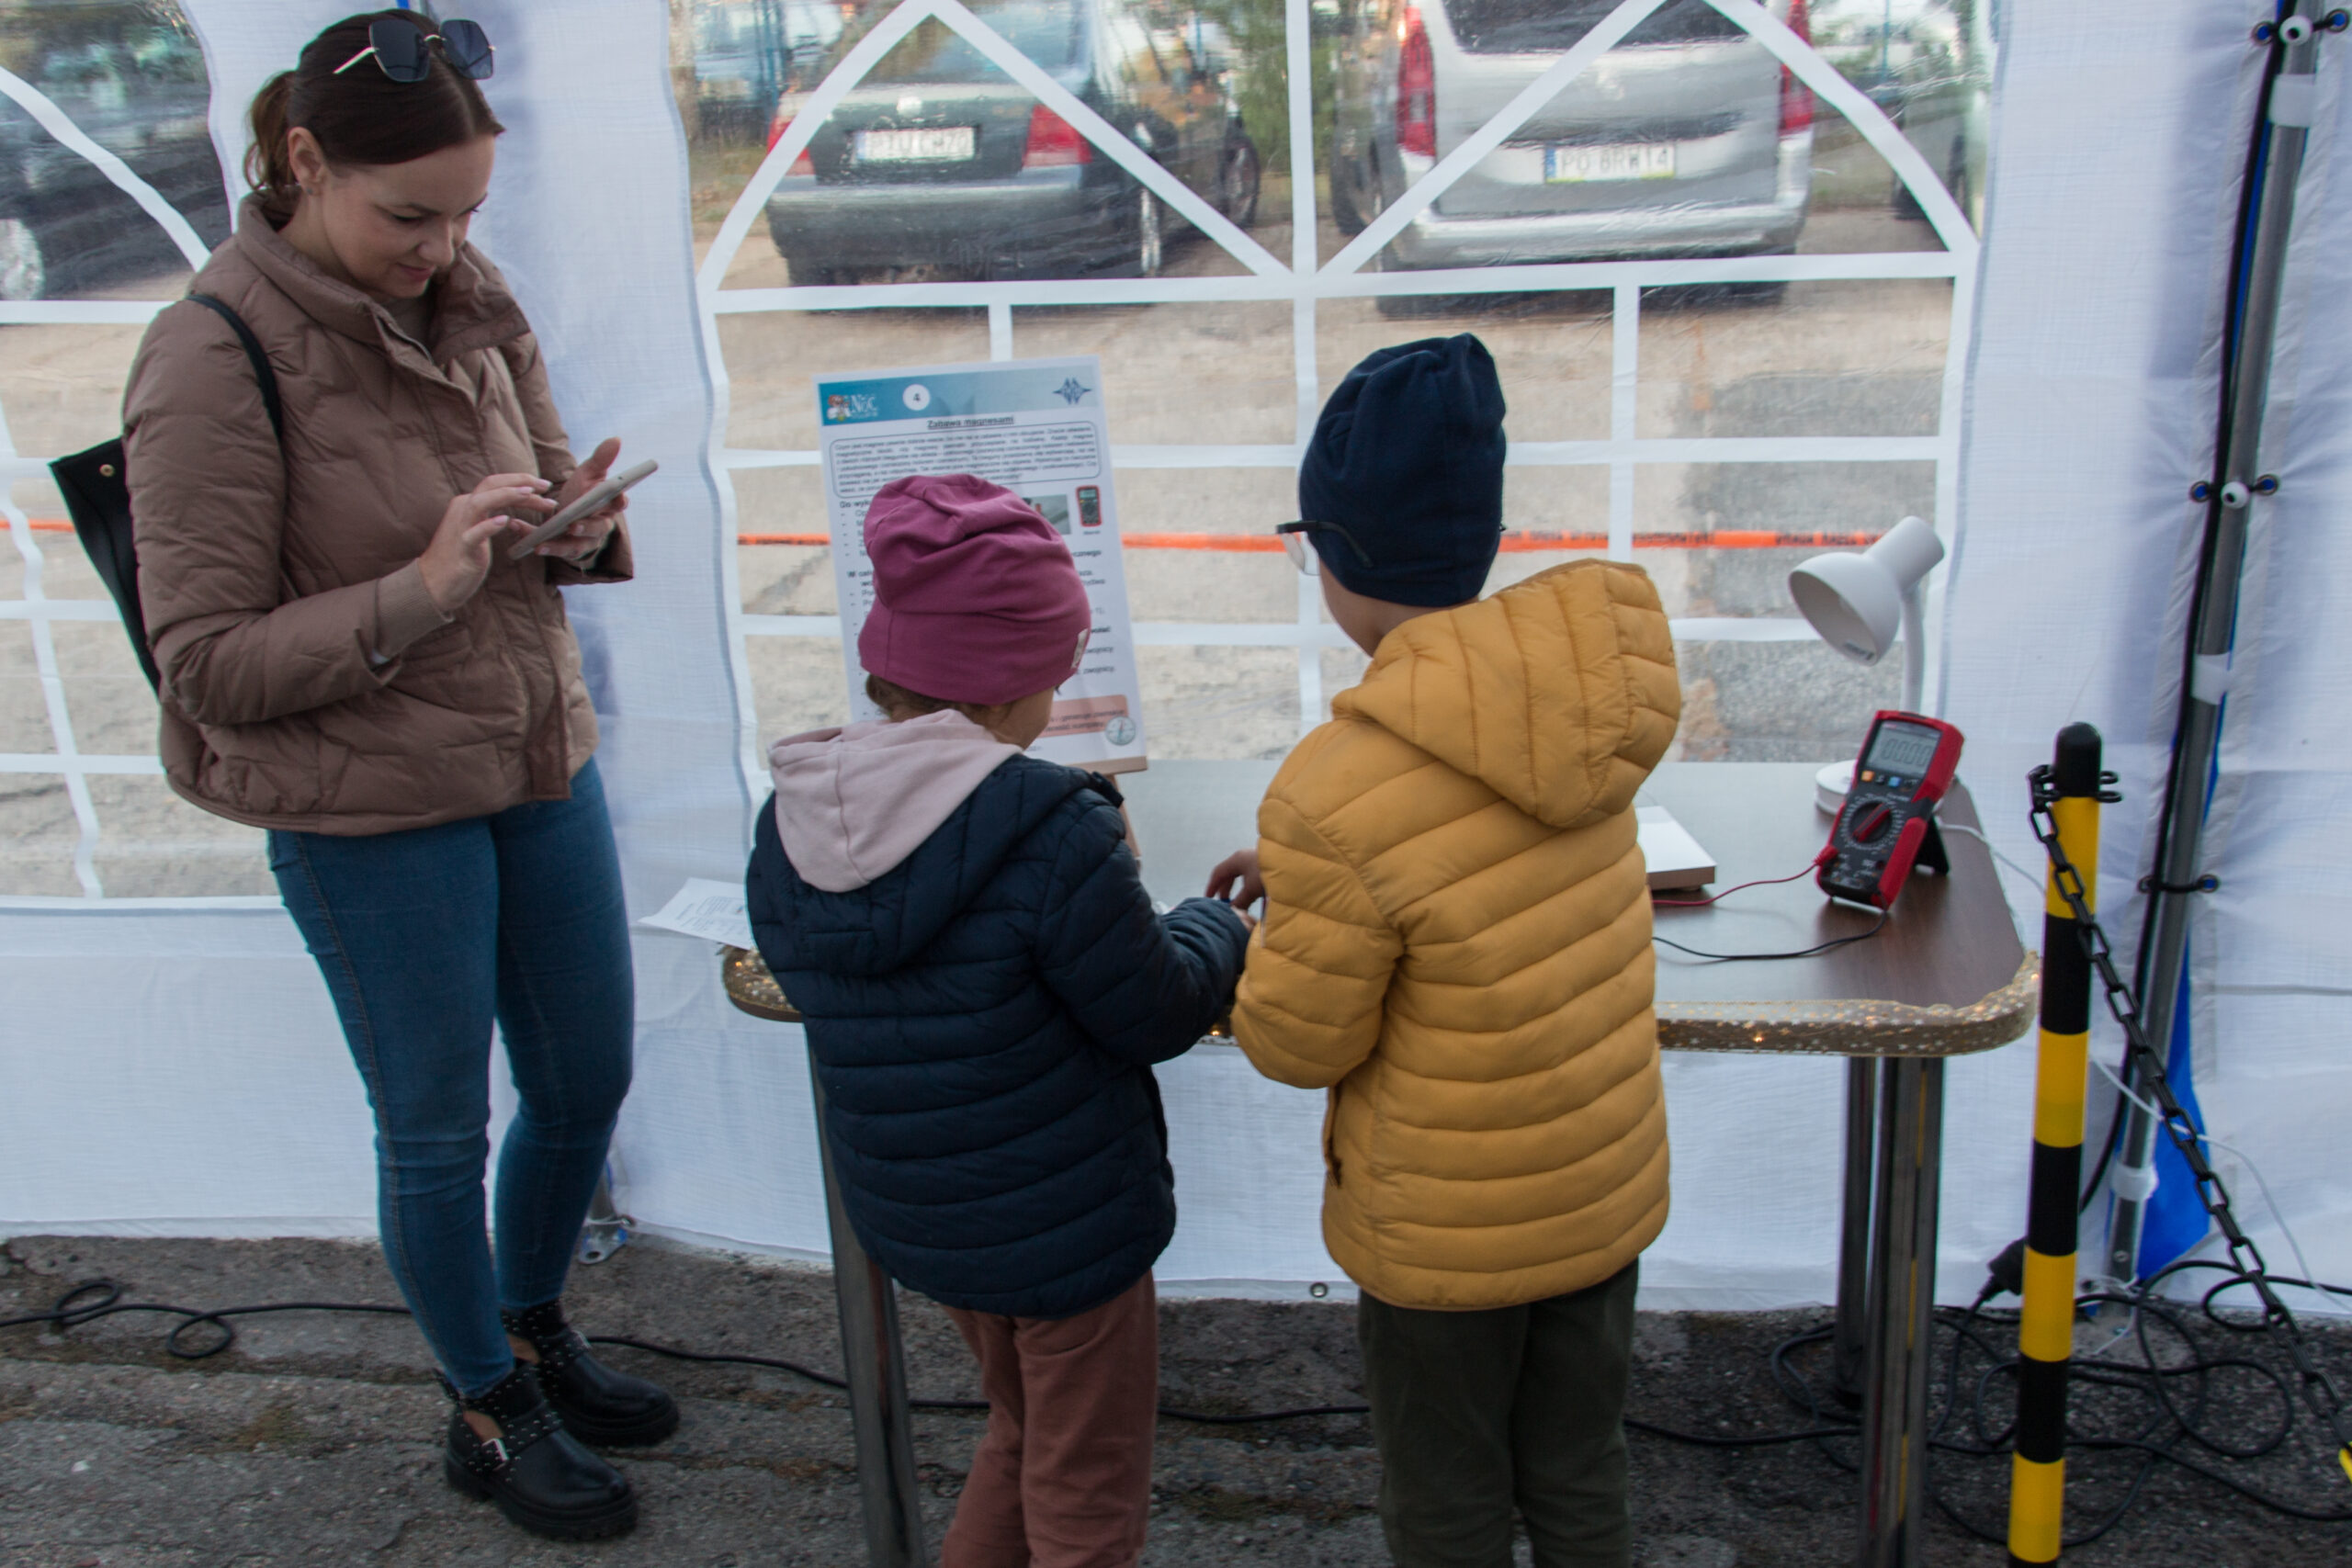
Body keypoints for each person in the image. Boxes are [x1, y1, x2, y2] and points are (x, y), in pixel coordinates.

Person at [123, 11, 667, 1543]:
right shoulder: (208, 353)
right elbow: (204, 662)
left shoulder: (468, 293)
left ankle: (533, 1325)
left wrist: (576, 525)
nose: (443, 247)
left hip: (530, 750)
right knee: (435, 1126)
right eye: (409, 215)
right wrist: (424, 588)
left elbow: (541, 495)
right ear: (304, 160)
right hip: (366, 804)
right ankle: (487, 1405)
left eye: (468, 212)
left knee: (583, 1079)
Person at [1209, 335, 1681, 1568]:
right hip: (1596, 1190)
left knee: (1448, 1494)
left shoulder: (1333, 787)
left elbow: (1298, 1044)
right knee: (1579, 1466)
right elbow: (1465, 875)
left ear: (1337, 554)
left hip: (1444, 1236)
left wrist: (1276, 923)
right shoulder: (1577, 708)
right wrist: (1323, 880)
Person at [747, 473, 1252, 1568]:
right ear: (1018, 676)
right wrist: (1218, 923)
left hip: (922, 1216)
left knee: (1021, 1431)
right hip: (1066, 1229)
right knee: (1086, 1486)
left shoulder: (791, 816)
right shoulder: (1051, 830)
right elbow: (1155, 1010)